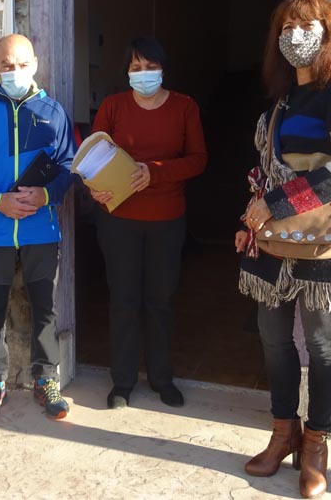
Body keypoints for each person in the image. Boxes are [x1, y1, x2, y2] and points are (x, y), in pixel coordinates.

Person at [235, 0, 331, 499]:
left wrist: (276, 202)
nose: (297, 34)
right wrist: (251, 215)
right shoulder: (281, 100)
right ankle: (283, 433)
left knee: (319, 345)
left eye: (308, 24)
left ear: (329, 29)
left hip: (326, 236)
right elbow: (268, 169)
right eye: (287, 26)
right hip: (272, 237)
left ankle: (316, 444)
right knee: (273, 339)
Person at [0, 33, 76, 424]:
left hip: (41, 228)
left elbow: (69, 164)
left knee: (45, 308)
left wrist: (46, 195)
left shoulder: (53, 111)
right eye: (7, 65)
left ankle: (46, 380)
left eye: (22, 64)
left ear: (35, 64)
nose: (15, 71)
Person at [88, 37, 207, 410]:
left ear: (163, 67)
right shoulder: (113, 106)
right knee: (123, 300)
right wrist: (94, 188)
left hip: (166, 219)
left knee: (160, 301)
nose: (143, 74)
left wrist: (154, 172)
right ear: (127, 72)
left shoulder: (185, 107)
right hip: (118, 218)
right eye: (135, 68)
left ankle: (161, 378)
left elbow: (198, 159)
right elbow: (92, 154)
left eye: (149, 66)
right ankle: (121, 383)